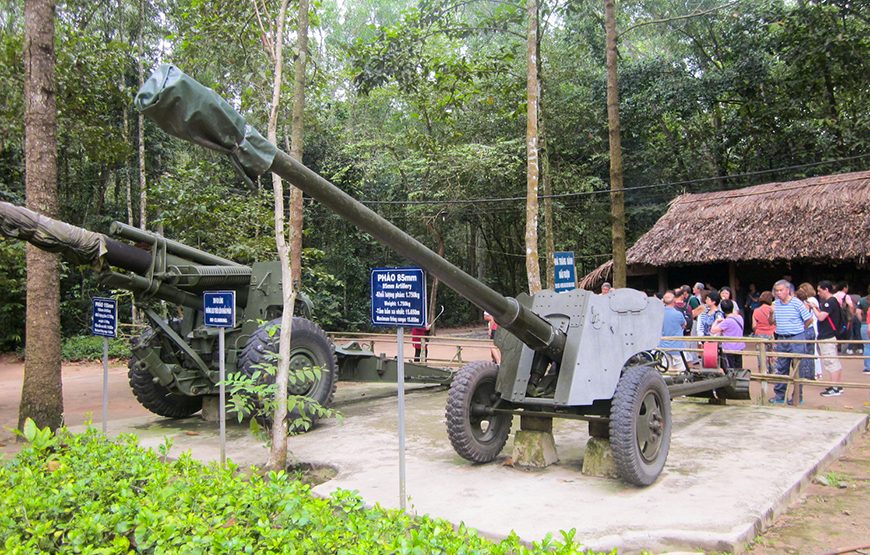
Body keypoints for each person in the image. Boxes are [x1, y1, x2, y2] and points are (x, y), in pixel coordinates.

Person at [768, 279, 812, 405]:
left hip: (796, 338)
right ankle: (780, 396)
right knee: (781, 367)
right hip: (782, 338)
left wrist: (800, 330)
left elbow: (809, 320)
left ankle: (798, 396)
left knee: (798, 368)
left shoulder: (797, 303)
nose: (778, 293)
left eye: (781, 290)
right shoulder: (775, 304)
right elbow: (771, 322)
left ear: (788, 290)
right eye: (776, 291)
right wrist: (771, 314)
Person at [812, 281, 844, 397]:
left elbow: (821, 317)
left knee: (830, 361)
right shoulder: (834, 301)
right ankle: (837, 385)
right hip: (831, 335)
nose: (818, 293)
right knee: (834, 360)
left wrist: (813, 308)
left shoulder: (829, 302)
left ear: (826, 289)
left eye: (820, 291)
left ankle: (835, 387)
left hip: (827, 335)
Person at [711, 298, 745, 369]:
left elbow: (713, 330)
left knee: (730, 368)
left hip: (729, 348)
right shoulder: (739, 318)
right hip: (739, 347)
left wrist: (716, 321)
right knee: (739, 367)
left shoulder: (726, 322)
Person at [659, 291, 686, 369]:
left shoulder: (659, 313)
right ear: (674, 300)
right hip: (677, 346)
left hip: (663, 346)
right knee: (681, 369)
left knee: (666, 369)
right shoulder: (678, 314)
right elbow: (684, 324)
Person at [752, 291, 776, 373]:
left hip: (759, 334)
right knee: (772, 354)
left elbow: (754, 326)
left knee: (761, 355)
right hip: (771, 333)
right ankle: (773, 372)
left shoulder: (756, 310)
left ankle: (763, 372)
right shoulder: (773, 309)